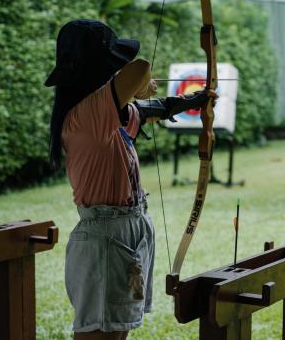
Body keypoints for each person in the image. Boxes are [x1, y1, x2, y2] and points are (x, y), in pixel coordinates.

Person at [45, 19, 214, 339]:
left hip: (130, 231)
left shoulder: (107, 116)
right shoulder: (86, 116)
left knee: (122, 324)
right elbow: (141, 67)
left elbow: (151, 109)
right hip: (106, 238)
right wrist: (137, 86)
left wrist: (197, 100)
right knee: (100, 330)